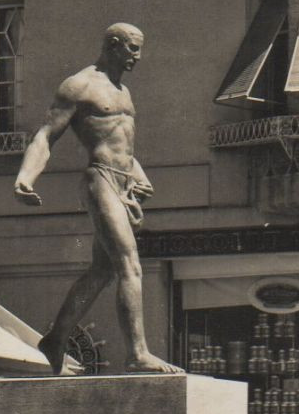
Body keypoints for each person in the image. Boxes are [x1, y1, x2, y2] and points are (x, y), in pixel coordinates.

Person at [13, 23, 179, 375]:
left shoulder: (124, 92)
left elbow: (124, 149)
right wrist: (26, 177)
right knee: (129, 264)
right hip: (99, 180)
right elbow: (46, 136)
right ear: (113, 45)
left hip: (123, 185)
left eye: (139, 48)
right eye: (132, 48)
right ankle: (137, 353)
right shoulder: (80, 85)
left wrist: (139, 176)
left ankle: (56, 338)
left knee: (102, 271)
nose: (138, 56)